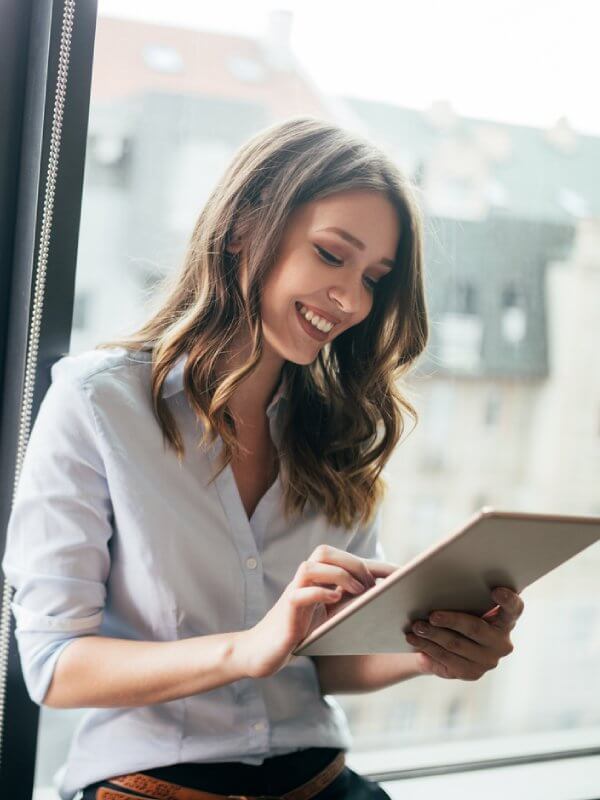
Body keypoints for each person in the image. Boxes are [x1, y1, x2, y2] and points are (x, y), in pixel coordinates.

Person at [2, 116, 523, 800]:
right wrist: (247, 648)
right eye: (331, 254)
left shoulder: (340, 430)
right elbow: (53, 664)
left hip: (323, 781)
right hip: (150, 783)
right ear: (245, 227)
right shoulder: (98, 404)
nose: (351, 300)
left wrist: (432, 653)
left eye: (374, 278)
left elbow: (326, 662)